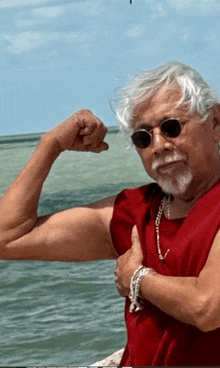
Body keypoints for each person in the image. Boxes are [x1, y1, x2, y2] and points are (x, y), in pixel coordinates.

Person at [1, 61, 220, 366]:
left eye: (171, 127)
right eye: (143, 137)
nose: (158, 146)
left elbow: (207, 307)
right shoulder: (136, 211)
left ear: (215, 122)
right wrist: (50, 146)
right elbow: (8, 238)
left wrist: (137, 278)